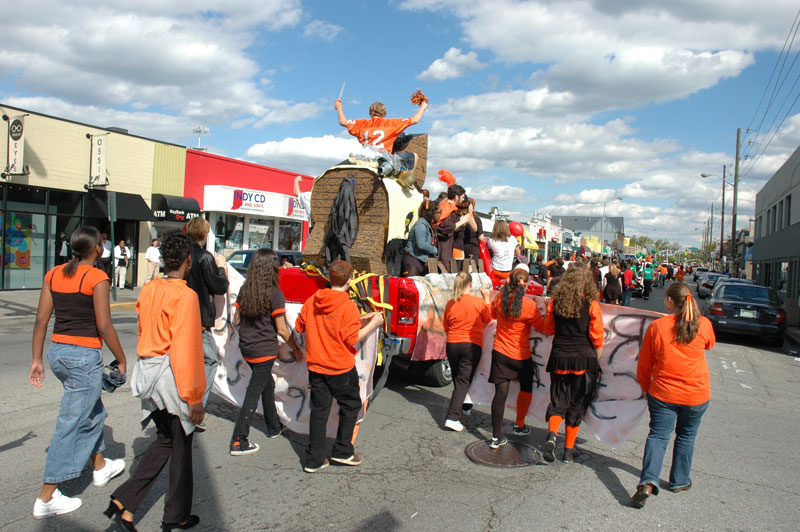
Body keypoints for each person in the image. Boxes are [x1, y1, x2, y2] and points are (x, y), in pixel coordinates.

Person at [107, 230, 204, 531]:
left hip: (148, 371)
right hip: (171, 376)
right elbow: (185, 348)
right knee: (181, 446)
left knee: (166, 440)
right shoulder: (186, 296)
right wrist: (194, 396)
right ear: (188, 259)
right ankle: (176, 515)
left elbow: (142, 329)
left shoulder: (149, 288)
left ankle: (126, 502)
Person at [29, 226, 127, 519]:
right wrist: (121, 359)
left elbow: (41, 320)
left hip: (58, 354)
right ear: (97, 248)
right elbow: (104, 326)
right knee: (72, 421)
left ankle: (99, 467)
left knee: (92, 409)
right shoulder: (97, 277)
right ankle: (47, 496)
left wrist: (37, 359)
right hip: (82, 358)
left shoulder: (54, 274)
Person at [295, 260, 385, 473]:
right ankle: (342, 450)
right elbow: (351, 338)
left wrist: (360, 318)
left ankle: (314, 459)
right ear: (350, 279)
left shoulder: (313, 300)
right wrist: (373, 324)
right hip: (340, 367)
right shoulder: (347, 305)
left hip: (316, 366)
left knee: (319, 411)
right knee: (352, 404)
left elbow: (300, 325)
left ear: (329, 277)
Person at [630, 282, 715, 508]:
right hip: (696, 394)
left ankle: (647, 482)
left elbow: (645, 363)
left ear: (669, 301)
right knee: (687, 436)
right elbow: (710, 345)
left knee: (658, 436)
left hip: (663, 392)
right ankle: (679, 481)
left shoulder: (658, 327)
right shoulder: (703, 324)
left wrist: (644, 387)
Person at [229, 249, 303, 455]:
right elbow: (281, 328)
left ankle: (273, 427)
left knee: (266, 385)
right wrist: (296, 349)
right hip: (265, 351)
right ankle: (238, 440)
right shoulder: (274, 294)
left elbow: (236, 319)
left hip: (247, 347)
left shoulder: (245, 290)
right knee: (253, 394)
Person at [542, 266, 604, 463]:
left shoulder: (555, 302)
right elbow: (597, 337)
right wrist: (597, 363)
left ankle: (552, 435)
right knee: (576, 405)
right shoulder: (591, 304)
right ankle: (568, 451)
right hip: (584, 359)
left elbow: (548, 329)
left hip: (559, 356)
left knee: (558, 400)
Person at [488, 267, 546, 448]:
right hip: (521, 355)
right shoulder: (529, 305)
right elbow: (543, 327)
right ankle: (519, 424)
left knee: (500, 395)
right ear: (527, 285)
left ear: (509, 282)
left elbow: (491, 314)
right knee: (526, 388)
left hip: (500, 352)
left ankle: (497, 436)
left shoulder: (500, 298)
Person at [185, 217, 229, 419]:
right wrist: (220, 268)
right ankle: (197, 406)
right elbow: (220, 286)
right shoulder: (204, 257)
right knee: (210, 361)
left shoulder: (183, 255)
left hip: (184, 315)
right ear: (204, 235)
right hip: (200, 317)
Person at [442, 272, 492, 431]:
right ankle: (452, 417)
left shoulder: (450, 303)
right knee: (463, 380)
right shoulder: (478, 302)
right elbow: (488, 319)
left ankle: (465, 405)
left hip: (452, 344)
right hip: (471, 345)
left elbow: (445, 327)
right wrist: (487, 299)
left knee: (460, 379)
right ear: (470, 285)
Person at [335, 98, 428, 177]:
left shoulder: (361, 124)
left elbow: (342, 122)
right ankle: (408, 186)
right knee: (414, 156)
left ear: (370, 113)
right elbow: (415, 120)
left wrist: (339, 107)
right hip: (383, 159)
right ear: (384, 114)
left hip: (365, 157)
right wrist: (423, 107)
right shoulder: (391, 124)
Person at [402, 199, 440, 277]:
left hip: (420, 261)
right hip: (413, 261)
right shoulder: (421, 225)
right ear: (432, 213)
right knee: (411, 287)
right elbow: (421, 244)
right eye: (439, 212)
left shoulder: (430, 226)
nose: (441, 215)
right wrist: (435, 250)